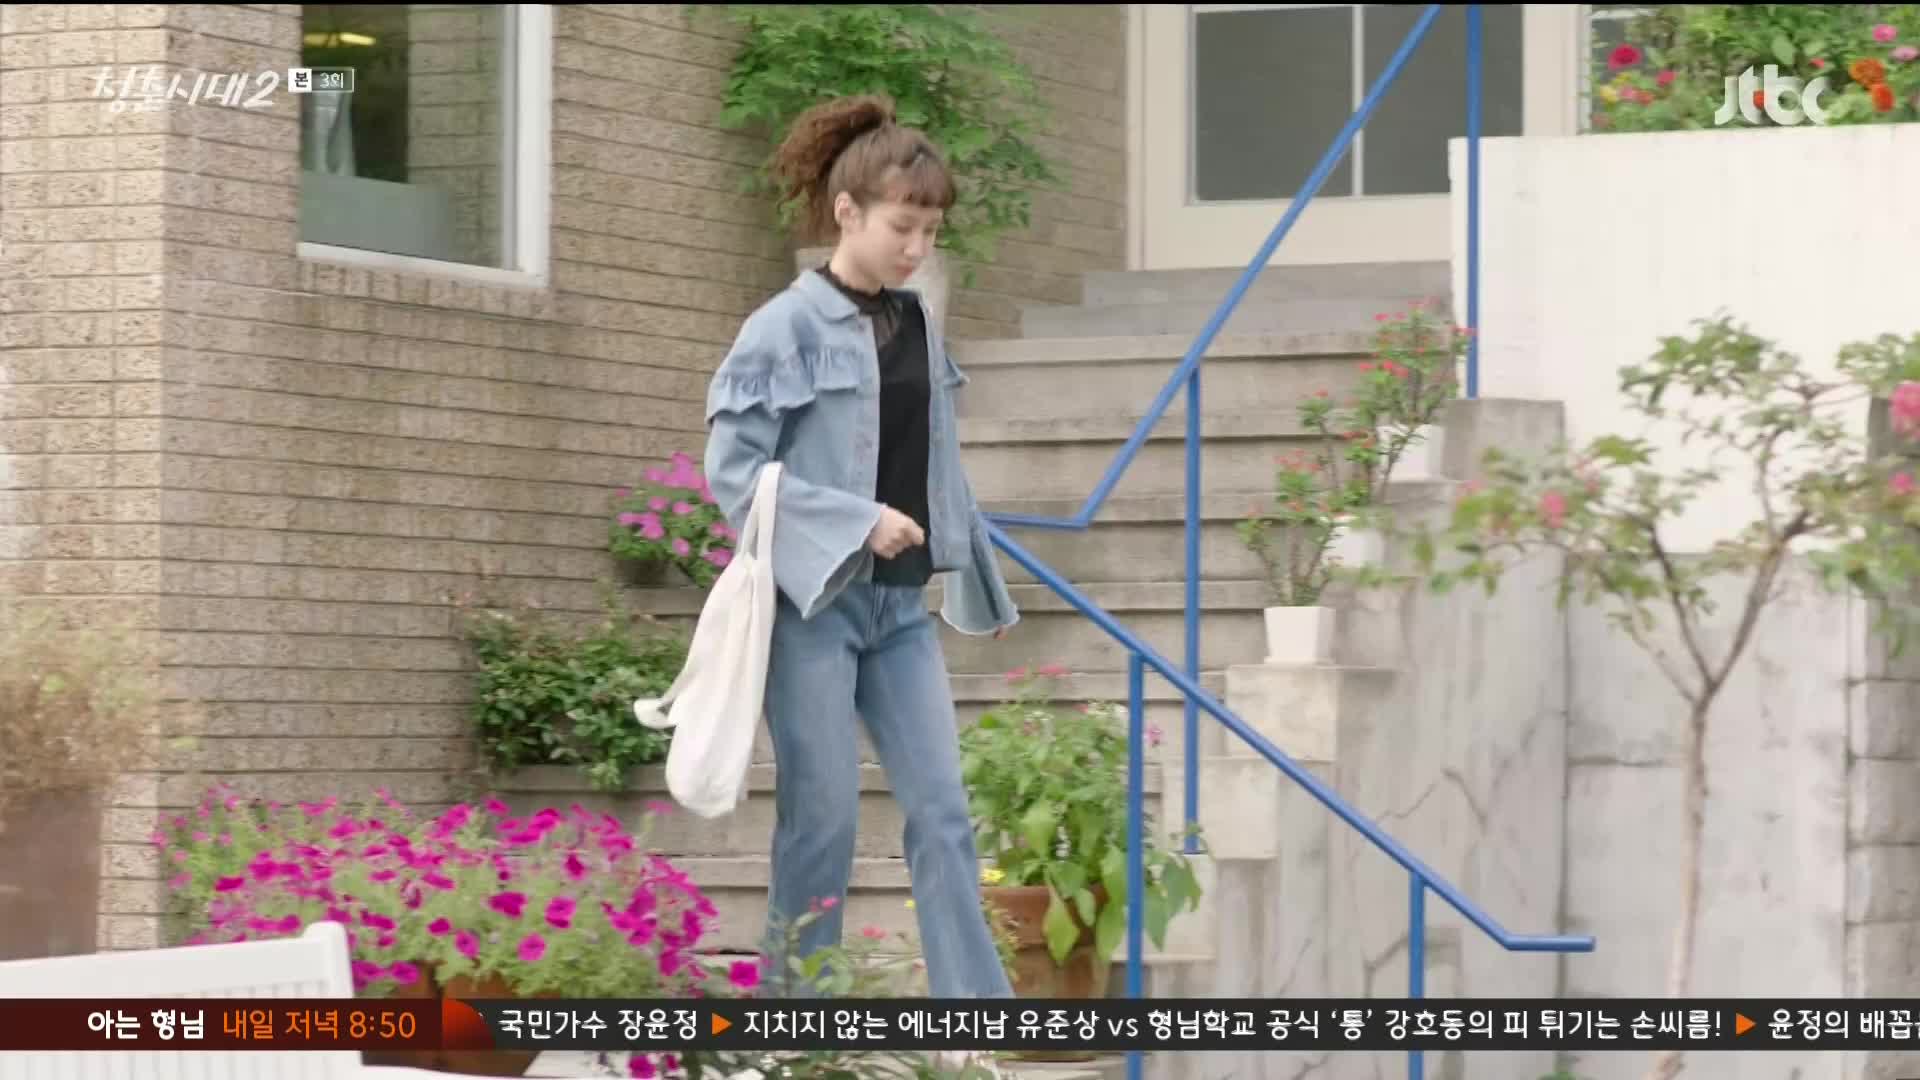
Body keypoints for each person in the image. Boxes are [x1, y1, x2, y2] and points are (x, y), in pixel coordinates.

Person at [700, 94, 1021, 1010]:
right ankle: (796, 1025)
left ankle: (979, 1019)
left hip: (900, 612)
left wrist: (982, 584)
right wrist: (854, 520)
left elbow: (939, 463)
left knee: (944, 813)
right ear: (847, 212)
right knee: (823, 822)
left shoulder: (918, 323)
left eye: (930, 231)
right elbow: (732, 473)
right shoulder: (783, 327)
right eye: (901, 227)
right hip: (814, 610)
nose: (917, 248)